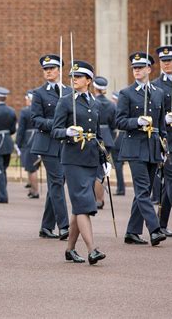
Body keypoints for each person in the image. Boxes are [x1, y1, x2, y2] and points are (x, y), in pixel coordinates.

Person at [51, 60, 107, 265]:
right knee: (84, 203)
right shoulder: (65, 101)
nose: (73, 80)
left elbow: (98, 134)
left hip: (91, 158)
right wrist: (67, 132)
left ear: (89, 80)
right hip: (73, 159)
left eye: (78, 77)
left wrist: (104, 158)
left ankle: (70, 249)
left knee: (79, 206)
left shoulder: (95, 102)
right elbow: (55, 130)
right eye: (72, 77)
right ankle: (92, 249)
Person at [116, 52, 167, 246]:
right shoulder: (126, 93)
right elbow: (119, 121)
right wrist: (136, 121)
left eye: (140, 67)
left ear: (149, 69)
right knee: (144, 189)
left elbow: (161, 124)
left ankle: (131, 232)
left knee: (141, 191)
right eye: (134, 67)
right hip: (134, 146)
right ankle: (154, 229)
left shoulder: (158, 92)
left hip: (153, 146)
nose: (136, 70)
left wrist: (164, 145)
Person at [31, 54, 71, 240]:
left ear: (59, 70)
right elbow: (36, 119)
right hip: (47, 144)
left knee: (57, 184)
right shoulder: (39, 93)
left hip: (66, 144)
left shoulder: (69, 91)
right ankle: (64, 226)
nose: (48, 72)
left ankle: (46, 227)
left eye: (52, 69)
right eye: (45, 69)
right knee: (56, 183)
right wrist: (56, 124)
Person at [152, 45, 172, 237]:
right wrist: (165, 118)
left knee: (169, 184)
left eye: (170, 60)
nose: (167, 64)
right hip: (167, 140)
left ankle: (161, 223)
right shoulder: (155, 86)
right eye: (163, 61)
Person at [92, 76, 116, 209]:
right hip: (107, 138)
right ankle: (100, 199)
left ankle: (97, 200)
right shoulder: (111, 104)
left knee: (95, 171)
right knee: (102, 169)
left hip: (95, 137)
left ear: (95, 87)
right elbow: (113, 125)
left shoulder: (92, 102)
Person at [0, 86, 17, 203]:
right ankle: (3, 192)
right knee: (3, 169)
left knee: (0, 170)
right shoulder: (11, 111)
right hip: (7, 142)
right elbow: (13, 129)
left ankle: (3, 196)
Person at [16, 90, 40, 198]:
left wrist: (18, 143)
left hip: (29, 141)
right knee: (32, 166)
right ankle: (32, 189)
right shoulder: (39, 110)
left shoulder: (25, 111)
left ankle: (35, 191)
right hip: (38, 139)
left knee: (31, 167)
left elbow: (21, 129)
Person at [111, 91, 126, 195]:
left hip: (118, 138)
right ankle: (121, 187)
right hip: (123, 138)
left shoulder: (115, 109)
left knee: (118, 166)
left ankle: (120, 188)